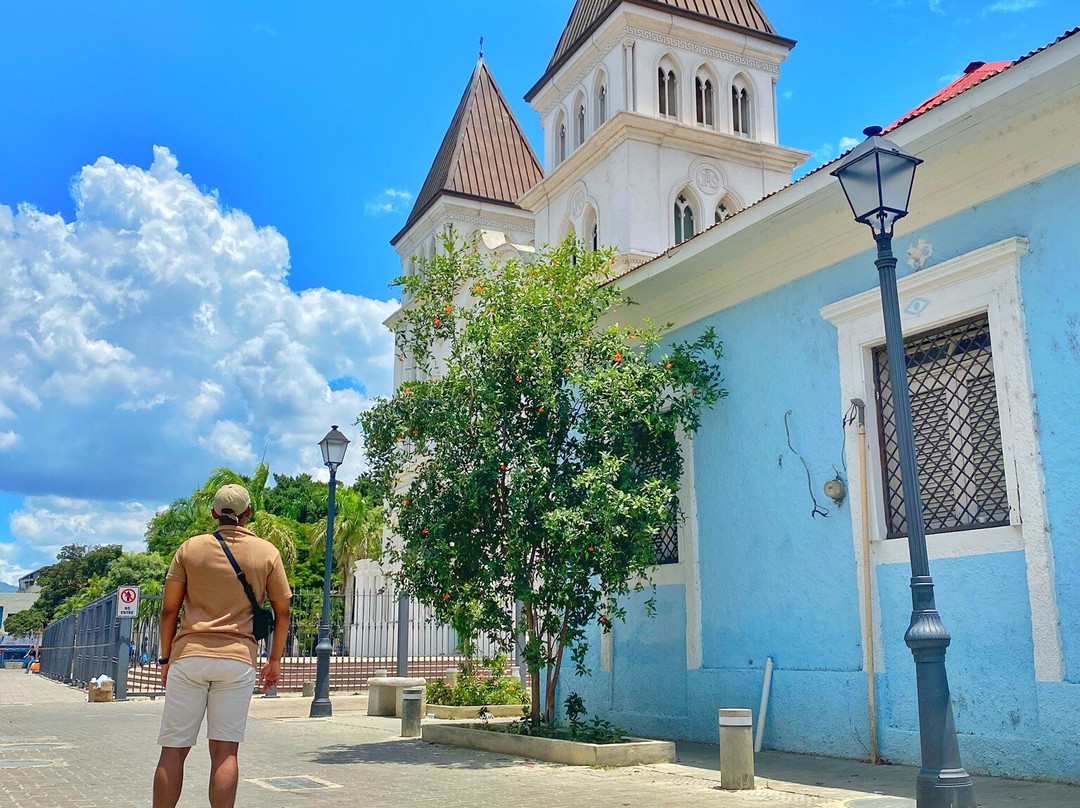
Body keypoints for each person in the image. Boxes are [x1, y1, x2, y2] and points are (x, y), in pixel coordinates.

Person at [152, 484, 291, 808]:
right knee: (225, 752)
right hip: (238, 659)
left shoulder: (190, 549)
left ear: (214, 513)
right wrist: (274, 661)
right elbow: (282, 612)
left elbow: (169, 610)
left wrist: (165, 659)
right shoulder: (267, 553)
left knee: (173, 750)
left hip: (190, 657)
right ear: (248, 514)